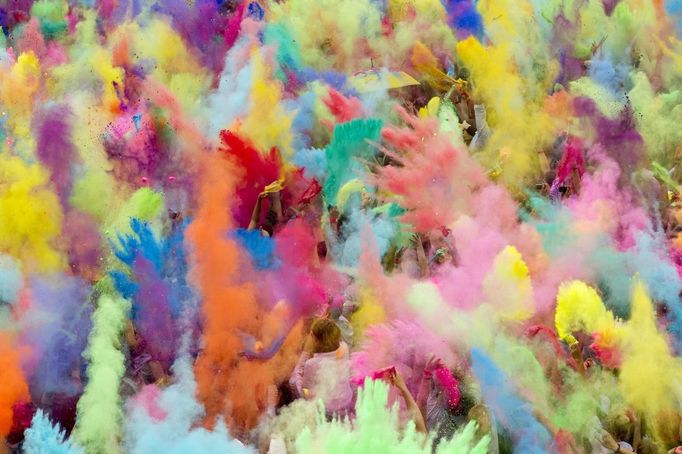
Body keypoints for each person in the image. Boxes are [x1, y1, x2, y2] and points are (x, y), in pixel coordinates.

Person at [289, 318, 353, 418]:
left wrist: (305, 351)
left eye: (311, 335)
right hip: (346, 405)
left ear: (315, 339)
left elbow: (303, 389)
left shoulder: (312, 364)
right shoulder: (344, 348)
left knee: (295, 385)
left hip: (326, 413)